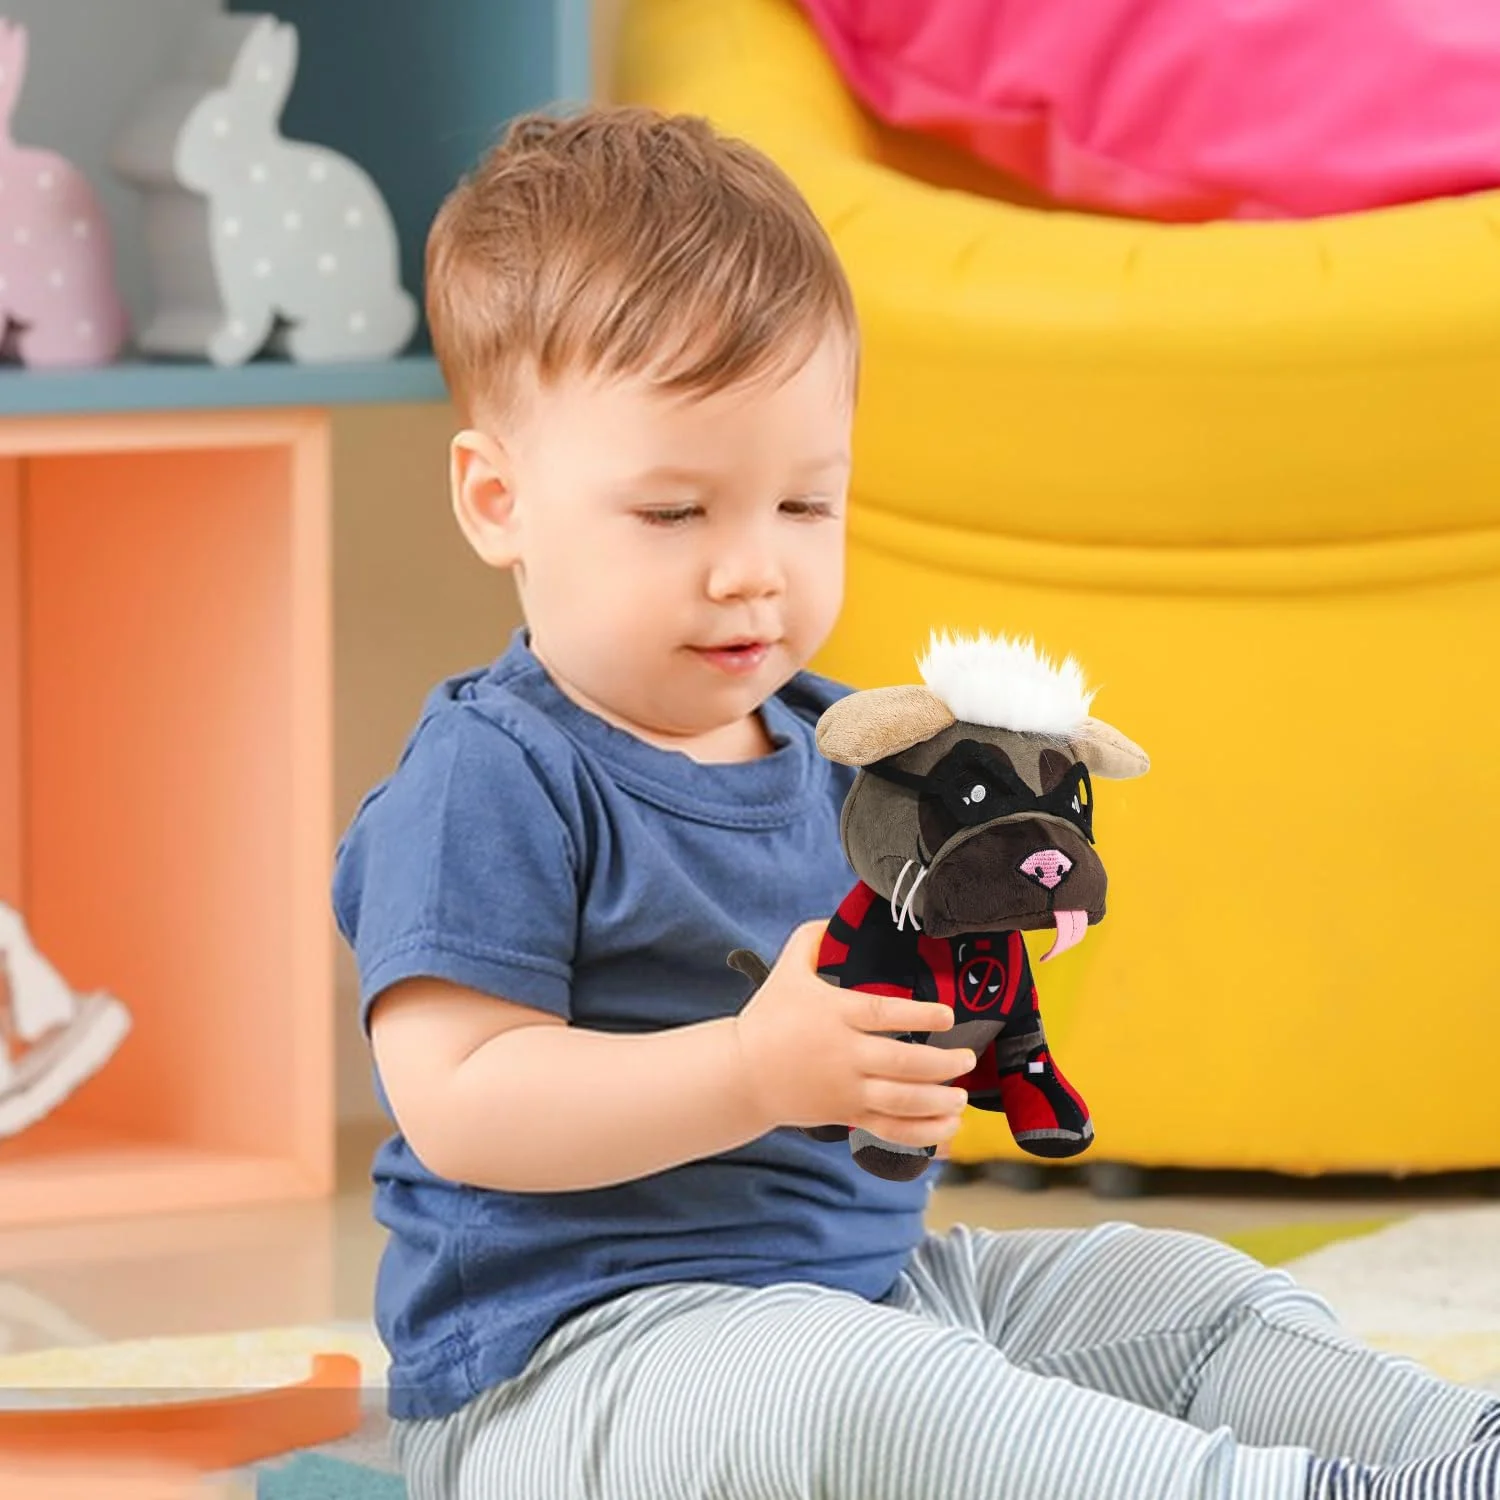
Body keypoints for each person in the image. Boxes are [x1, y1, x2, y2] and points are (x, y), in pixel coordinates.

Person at [332, 105, 1500, 1500]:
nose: (751, 571)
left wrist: (982, 978)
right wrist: (751, 1074)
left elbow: (933, 973)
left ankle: (1458, 1456)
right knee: (880, 1398)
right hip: (571, 1369)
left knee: (1180, 1291)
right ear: (498, 499)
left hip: (871, 1294)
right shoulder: (496, 774)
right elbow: (462, 1101)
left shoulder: (852, 751)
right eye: (674, 514)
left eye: (805, 507)